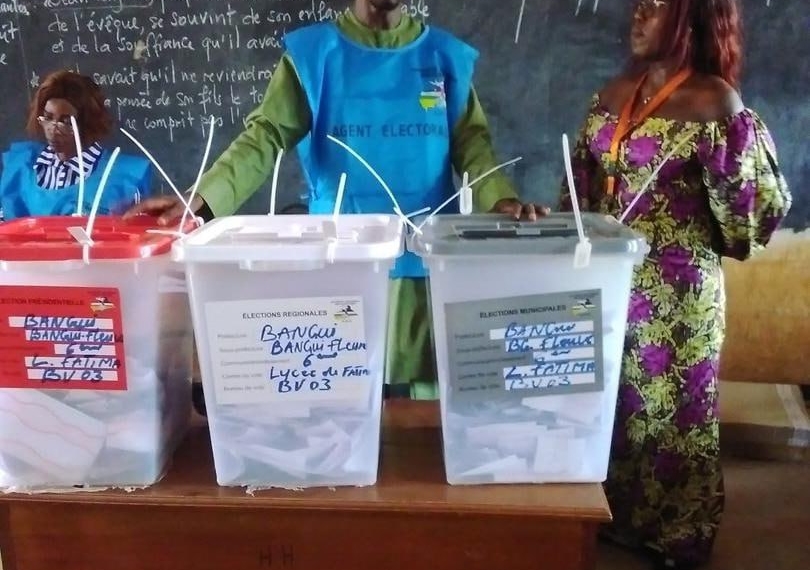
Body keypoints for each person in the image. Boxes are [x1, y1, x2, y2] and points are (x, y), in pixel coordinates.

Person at [126, 0, 547, 400]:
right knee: (342, 401)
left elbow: (474, 145)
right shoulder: (314, 57)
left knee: (425, 410)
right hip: (340, 264)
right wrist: (203, 197)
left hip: (424, 262)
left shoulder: (443, 57)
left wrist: (500, 200)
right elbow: (265, 136)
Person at [560, 1, 791, 568]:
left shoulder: (716, 104)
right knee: (613, 406)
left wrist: (724, 175)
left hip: (677, 298)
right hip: (608, 287)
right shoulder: (616, 93)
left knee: (673, 415)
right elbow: (580, 195)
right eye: (637, 4)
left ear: (692, 17)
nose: (639, 15)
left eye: (657, 5)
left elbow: (748, 219)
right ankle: (612, 518)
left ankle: (679, 537)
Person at [0, 70, 151, 221]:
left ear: (88, 123)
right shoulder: (20, 167)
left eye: (66, 121)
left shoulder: (125, 176)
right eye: (48, 118)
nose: (53, 129)